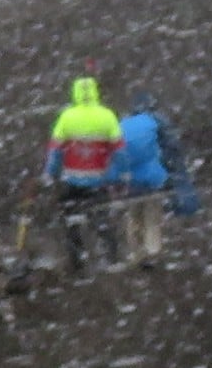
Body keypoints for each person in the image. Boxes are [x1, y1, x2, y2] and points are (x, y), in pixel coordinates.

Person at [42, 73, 124, 271]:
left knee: (72, 221)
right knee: (101, 220)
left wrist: (50, 174)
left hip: (72, 180)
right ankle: (111, 259)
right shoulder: (107, 115)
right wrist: (118, 175)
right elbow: (120, 151)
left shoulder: (67, 116)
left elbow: (55, 150)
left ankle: (77, 262)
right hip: (99, 179)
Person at [107, 96, 199, 267]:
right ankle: (153, 252)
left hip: (128, 180)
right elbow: (172, 149)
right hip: (152, 178)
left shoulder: (123, 124)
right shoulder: (156, 121)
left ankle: (136, 252)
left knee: (134, 215)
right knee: (151, 215)